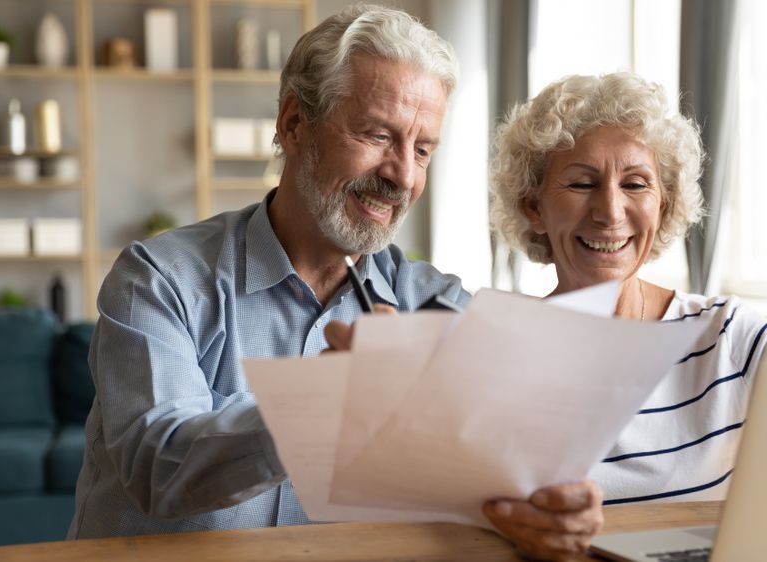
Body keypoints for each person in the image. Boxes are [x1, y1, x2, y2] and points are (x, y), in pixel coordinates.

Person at [68, 5, 471, 538]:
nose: (402, 175)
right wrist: (324, 400)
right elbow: (157, 466)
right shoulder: (159, 280)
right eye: (377, 135)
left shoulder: (434, 306)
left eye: (421, 150)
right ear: (294, 123)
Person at [483, 72, 767, 559]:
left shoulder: (730, 337)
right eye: (581, 183)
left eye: (636, 184)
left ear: (665, 205)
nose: (610, 212)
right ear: (534, 207)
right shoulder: (490, 356)